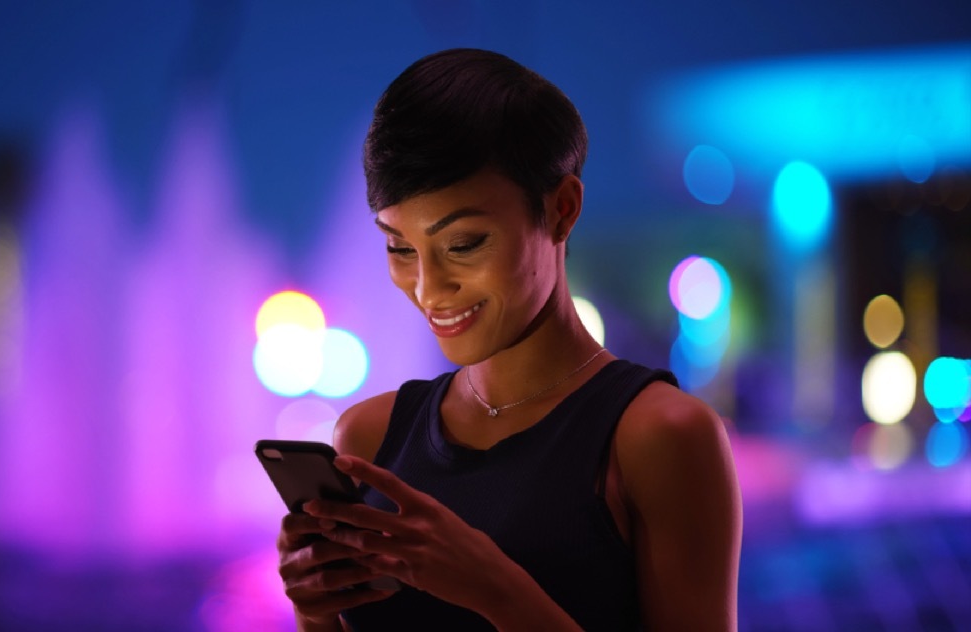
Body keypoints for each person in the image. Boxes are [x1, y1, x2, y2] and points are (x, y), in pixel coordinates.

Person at [276, 48, 742, 631]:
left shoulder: (658, 437)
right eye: (400, 248)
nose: (428, 288)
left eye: (464, 242)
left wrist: (494, 589)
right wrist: (313, 608)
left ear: (562, 210)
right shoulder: (369, 441)